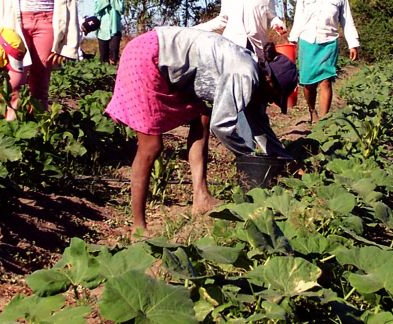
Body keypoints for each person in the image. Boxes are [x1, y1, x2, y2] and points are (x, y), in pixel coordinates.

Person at [105, 26, 298, 231]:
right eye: (273, 97)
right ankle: (138, 227)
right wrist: (247, 157)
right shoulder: (245, 74)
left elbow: (260, 127)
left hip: (165, 59)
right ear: (269, 81)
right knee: (151, 147)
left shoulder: (255, 72)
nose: (270, 101)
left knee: (202, 116)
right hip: (147, 56)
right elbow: (221, 126)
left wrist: (286, 161)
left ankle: (201, 197)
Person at [288, 0, 359, 122]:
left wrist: (353, 44)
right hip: (307, 42)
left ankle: (324, 121)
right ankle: (312, 112)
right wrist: (293, 40)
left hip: (329, 42)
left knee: (326, 81)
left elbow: (347, 21)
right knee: (308, 83)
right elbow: (299, 19)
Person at [94, 0, 124, 64]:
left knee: (114, 56)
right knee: (103, 58)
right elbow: (96, 10)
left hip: (115, 30)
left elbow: (121, 10)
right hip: (102, 31)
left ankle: (113, 73)